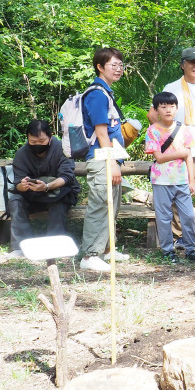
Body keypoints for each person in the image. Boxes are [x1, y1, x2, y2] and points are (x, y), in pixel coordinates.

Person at [153, 48, 195, 248]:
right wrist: (166, 136)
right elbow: (153, 114)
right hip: (179, 152)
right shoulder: (171, 88)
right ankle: (179, 235)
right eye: (192, 62)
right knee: (178, 194)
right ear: (183, 65)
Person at [80, 47, 128, 272]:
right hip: (102, 159)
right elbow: (101, 132)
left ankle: (107, 250)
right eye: (113, 65)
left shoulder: (106, 92)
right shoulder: (97, 94)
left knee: (112, 205)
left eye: (121, 65)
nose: (118, 69)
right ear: (99, 67)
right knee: (100, 205)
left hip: (108, 158)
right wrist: (111, 163)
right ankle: (90, 256)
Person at [145, 92, 195, 264]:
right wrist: (181, 153)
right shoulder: (152, 130)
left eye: (171, 106)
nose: (168, 110)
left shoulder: (183, 129)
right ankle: (167, 251)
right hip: (161, 180)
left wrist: (192, 181)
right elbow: (159, 158)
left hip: (182, 180)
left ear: (177, 108)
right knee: (164, 217)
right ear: (156, 110)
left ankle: (191, 250)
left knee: (188, 216)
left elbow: (189, 156)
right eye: (163, 106)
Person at [7, 120, 81, 259]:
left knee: (59, 204)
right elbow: (17, 183)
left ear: (50, 137)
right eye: (33, 142)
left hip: (60, 192)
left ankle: (55, 246)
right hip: (32, 194)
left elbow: (66, 177)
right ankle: (20, 246)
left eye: (41, 141)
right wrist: (23, 185)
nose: (37, 144)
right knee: (15, 201)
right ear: (27, 139)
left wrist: (47, 186)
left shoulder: (62, 149)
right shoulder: (22, 154)